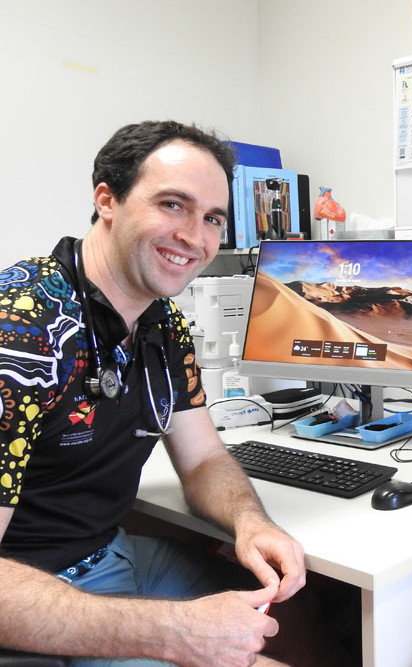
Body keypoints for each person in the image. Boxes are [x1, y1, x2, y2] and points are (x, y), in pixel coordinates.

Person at [0, 121, 313, 666]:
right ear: (107, 201)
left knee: (301, 618)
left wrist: (251, 522)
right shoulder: (20, 332)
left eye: (212, 217)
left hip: (111, 555)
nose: (195, 236)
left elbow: (204, 459)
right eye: (173, 205)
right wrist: (172, 630)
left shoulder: (163, 322)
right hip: (33, 599)